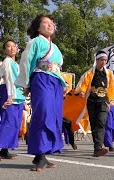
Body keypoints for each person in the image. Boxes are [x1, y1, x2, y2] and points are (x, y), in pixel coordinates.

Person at [15, 14, 67, 171]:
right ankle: (40, 155)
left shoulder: (56, 48)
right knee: (42, 114)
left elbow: (58, 67)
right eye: (46, 22)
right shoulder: (35, 42)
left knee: (54, 116)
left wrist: (62, 83)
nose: (50, 25)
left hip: (55, 82)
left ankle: (42, 154)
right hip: (41, 79)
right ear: (38, 27)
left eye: (52, 23)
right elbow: (26, 62)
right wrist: (26, 84)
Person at [0, 39, 26, 161]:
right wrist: (10, 97)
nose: (12, 48)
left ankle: (5, 150)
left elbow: (20, 83)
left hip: (18, 97)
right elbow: (9, 80)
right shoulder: (7, 62)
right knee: (7, 123)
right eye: (8, 46)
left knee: (15, 124)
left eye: (14, 46)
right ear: (5, 50)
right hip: (10, 96)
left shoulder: (16, 64)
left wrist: (24, 99)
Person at [75, 50, 114, 157]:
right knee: (93, 125)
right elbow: (84, 84)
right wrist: (82, 91)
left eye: (105, 60)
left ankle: (98, 147)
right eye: (101, 60)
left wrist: (110, 101)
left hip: (103, 101)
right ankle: (96, 148)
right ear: (97, 60)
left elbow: (111, 88)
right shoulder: (90, 73)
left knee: (101, 122)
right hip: (91, 101)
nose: (103, 62)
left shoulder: (109, 74)